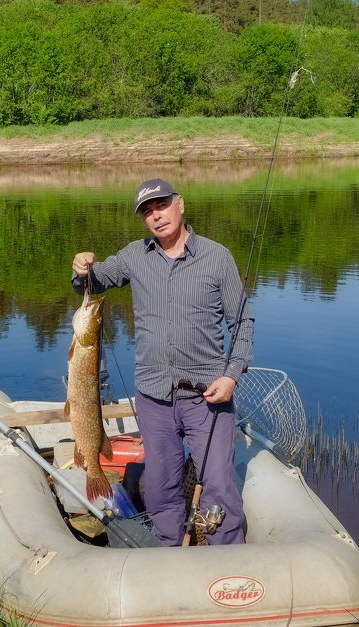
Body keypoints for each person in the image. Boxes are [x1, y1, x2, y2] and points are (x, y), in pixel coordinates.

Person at [71, 178, 253, 546]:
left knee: (218, 487)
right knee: (160, 488)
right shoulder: (134, 256)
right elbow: (93, 282)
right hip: (154, 398)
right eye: (147, 212)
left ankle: (230, 563)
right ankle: (169, 556)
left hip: (208, 398)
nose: (156, 216)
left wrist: (232, 376)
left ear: (180, 204)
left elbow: (243, 322)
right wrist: (82, 270)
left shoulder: (218, 257)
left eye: (162, 205)